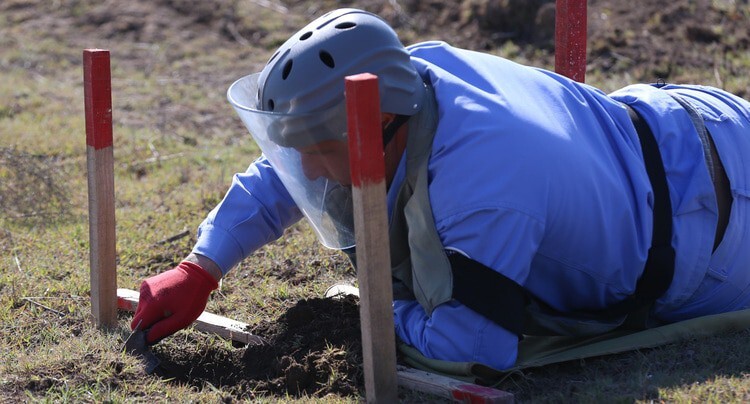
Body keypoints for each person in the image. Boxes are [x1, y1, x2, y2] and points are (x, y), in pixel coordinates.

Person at [131, 8, 750, 371]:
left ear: (379, 125)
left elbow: (476, 347)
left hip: (721, 228)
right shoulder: (410, 75)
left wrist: (362, 314)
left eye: (320, 151)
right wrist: (202, 264)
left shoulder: (485, 188)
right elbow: (286, 170)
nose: (311, 173)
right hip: (680, 126)